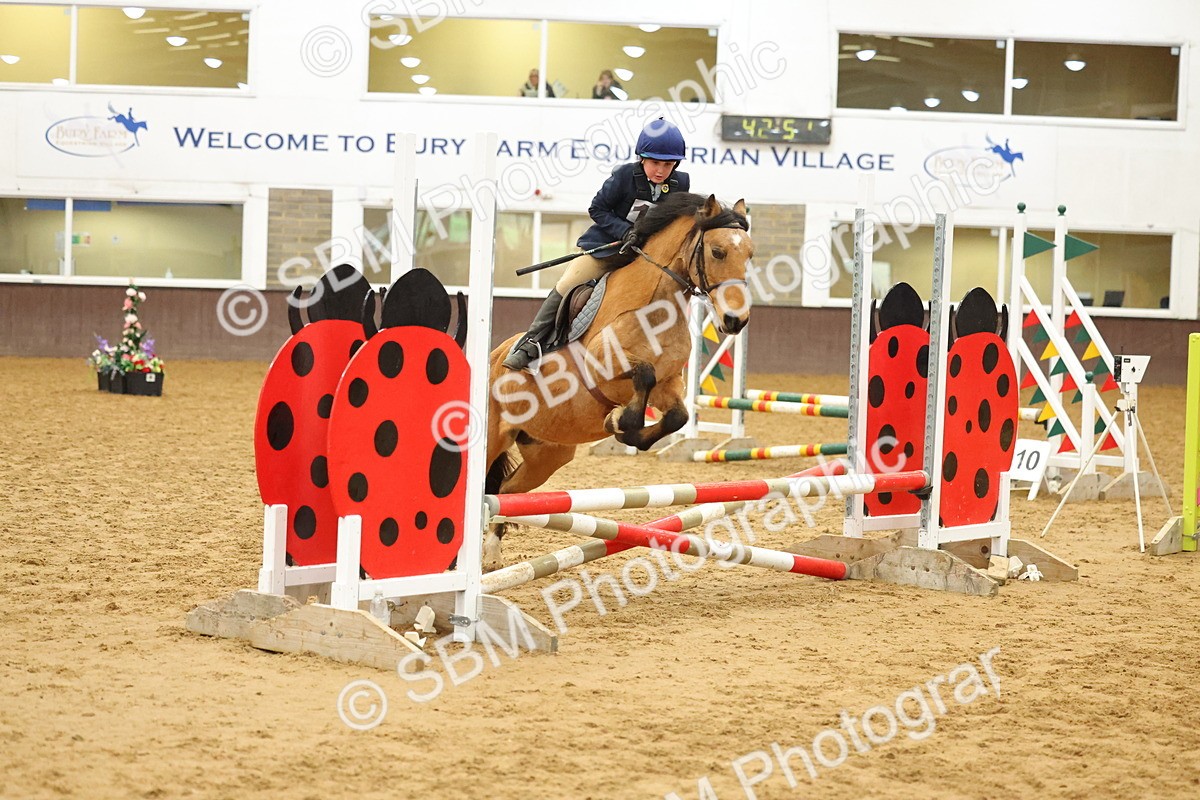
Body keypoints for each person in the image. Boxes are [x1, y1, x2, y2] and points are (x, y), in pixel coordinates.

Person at [503, 117, 689, 370]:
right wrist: (625, 231)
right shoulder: (625, 176)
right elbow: (598, 208)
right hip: (609, 250)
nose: (660, 170)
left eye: (668, 164)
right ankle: (531, 343)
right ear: (642, 159)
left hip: (645, 259)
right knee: (569, 281)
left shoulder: (681, 184)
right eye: (655, 162)